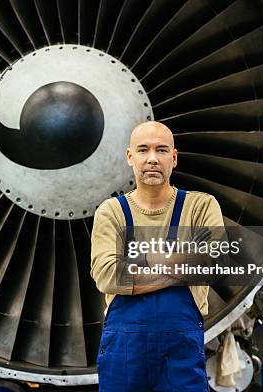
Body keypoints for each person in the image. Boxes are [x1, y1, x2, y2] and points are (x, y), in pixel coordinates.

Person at [90, 121, 225, 391]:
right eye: (143, 150)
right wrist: (181, 260)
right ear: (130, 157)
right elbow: (107, 275)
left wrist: (142, 261)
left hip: (181, 354)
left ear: (173, 158)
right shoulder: (111, 211)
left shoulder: (200, 206)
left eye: (161, 150)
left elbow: (212, 264)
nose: (152, 159)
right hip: (124, 355)